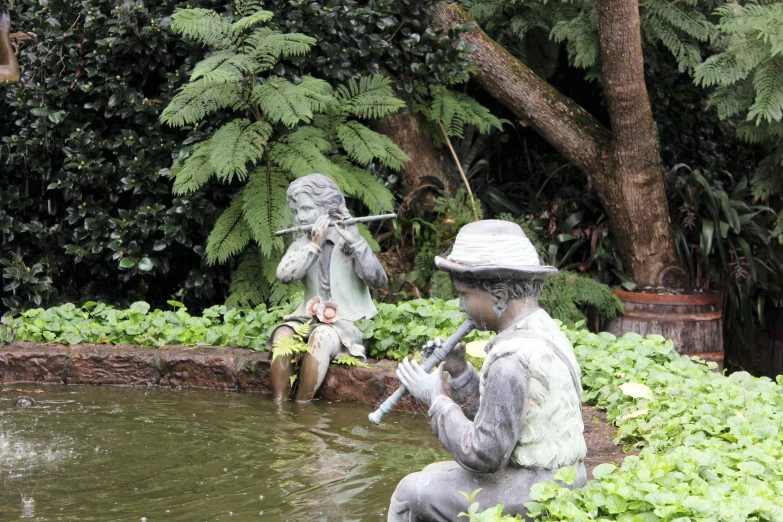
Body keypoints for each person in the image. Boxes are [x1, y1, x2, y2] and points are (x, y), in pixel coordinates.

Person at [388, 220, 587, 521]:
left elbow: (484, 454)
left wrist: (436, 400)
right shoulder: (542, 328)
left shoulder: (511, 362)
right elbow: (502, 422)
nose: (459, 306)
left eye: (464, 295)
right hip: (566, 476)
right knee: (432, 473)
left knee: (409, 493)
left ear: (499, 296)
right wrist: (459, 371)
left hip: (542, 488)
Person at [269, 173, 387, 401]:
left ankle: (302, 406)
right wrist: (313, 247)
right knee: (282, 334)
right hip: (306, 319)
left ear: (327, 208)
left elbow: (378, 281)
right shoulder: (302, 244)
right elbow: (284, 276)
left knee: (321, 337)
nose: (300, 217)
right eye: (296, 212)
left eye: (306, 209)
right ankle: (279, 409)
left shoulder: (349, 240)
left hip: (346, 322)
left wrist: (357, 243)